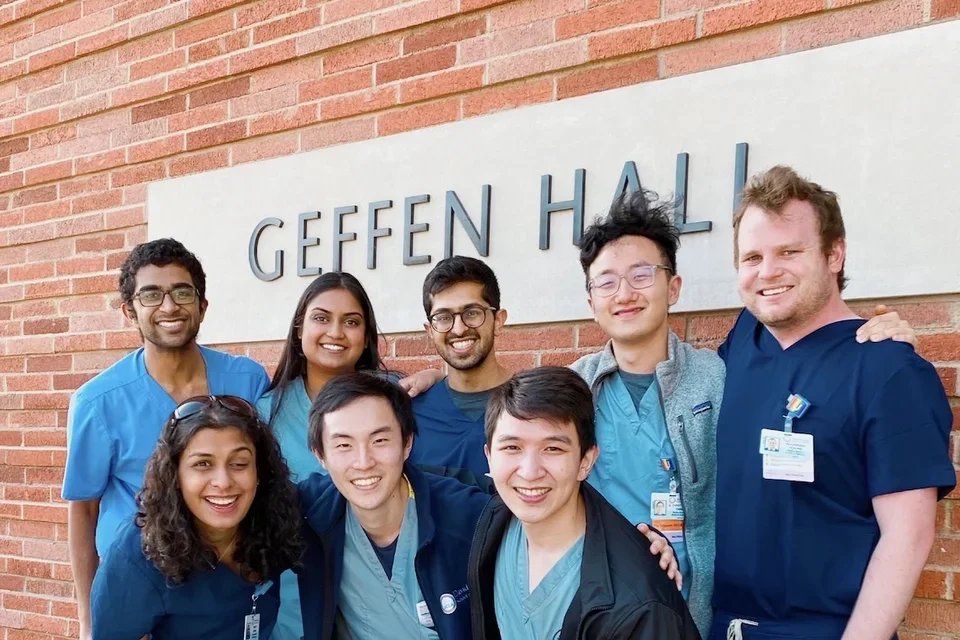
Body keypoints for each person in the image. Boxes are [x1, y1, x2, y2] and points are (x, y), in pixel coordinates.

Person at [569, 190, 918, 636]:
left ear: (673, 287)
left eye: (642, 274)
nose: (625, 293)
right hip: (605, 610)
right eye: (606, 282)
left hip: (706, 615)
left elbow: (810, 330)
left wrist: (875, 337)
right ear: (591, 302)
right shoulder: (571, 390)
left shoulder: (721, 373)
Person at [710, 166, 955, 639]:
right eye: (752, 257)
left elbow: (908, 536)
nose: (768, 271)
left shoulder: (889, 371)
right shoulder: (744, 340)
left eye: (789, 252)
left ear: (834, 254)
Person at [62, 238, 270, 640]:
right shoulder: (97, 402)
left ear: (202, 306)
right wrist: (89, 620)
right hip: (140, 590)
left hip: (229, 588)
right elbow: (83, 510)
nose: (170, 306)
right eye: (151, 294)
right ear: (130, 311)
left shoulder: (248, 380)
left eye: (182, 292)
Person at [257, 271, 442, 640]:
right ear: (299, 329)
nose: (336, 332)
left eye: (352, 322)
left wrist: (436, 376)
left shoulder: (396, 396)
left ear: (367, 336)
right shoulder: (266, 414)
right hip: (298, 601)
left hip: (386, 601)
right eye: (321, 318)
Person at [469, 367, 701, 640]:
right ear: (489, 456)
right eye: (512, 447)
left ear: (586, 461)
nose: (530, 472)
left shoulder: (641, 604)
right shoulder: (495, 520)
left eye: (553, 448)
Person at [296, 372, 491, 639]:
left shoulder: (470, 516)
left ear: (407, 443)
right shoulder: (311, 512)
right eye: (343, 445)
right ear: (320, 455)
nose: (363, 462)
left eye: (379, 441)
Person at [89, 395, 302, 639]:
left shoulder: (277, 519)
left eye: (239, 463)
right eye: (203, 464)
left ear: (260, 472)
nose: (223, 482)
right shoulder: (138, 554)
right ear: (175, 476)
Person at [409, 256, 513, 477]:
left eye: (472, 313)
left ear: (498, 320)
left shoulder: (533, 406)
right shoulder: (411, 414)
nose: (458, 329)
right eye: (443, 317)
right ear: (430, 330)